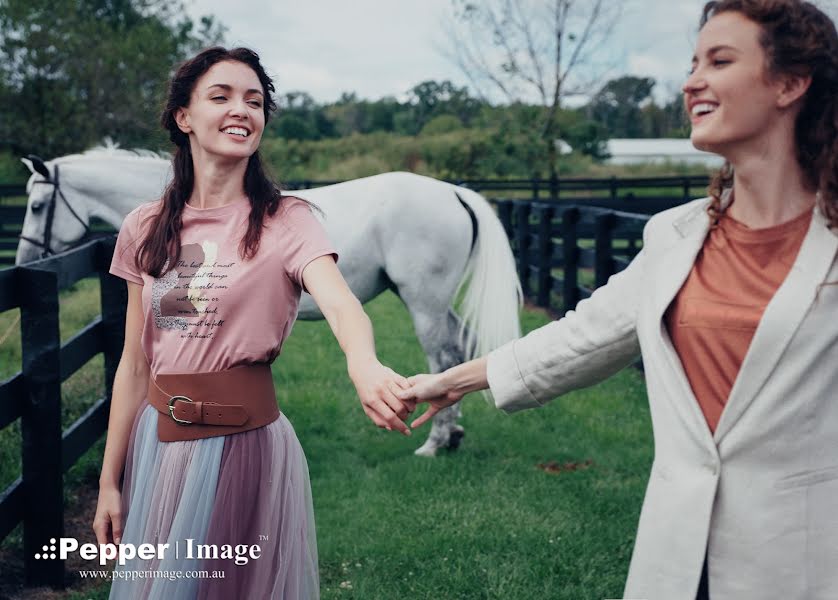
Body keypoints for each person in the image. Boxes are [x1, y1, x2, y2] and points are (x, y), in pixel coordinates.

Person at [400, 1, 838, 599]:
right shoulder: (675, 236)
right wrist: (454, 380)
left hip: (804, 566)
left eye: (720, 60)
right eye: (692, 61)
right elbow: (583, 335)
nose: (691, 81)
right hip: (676, 561)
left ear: (791, 83)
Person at [93, 47, 414, 599]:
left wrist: (363, 361)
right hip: (159, 447)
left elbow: (341, 304)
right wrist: (109, 482)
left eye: (255, 101)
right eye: (221, 97)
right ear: (183, 117)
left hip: (245, 448)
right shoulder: (145, 226)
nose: (242, 109)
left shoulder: (287, 220)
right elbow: (136, 362)